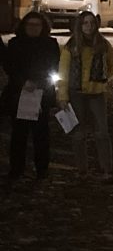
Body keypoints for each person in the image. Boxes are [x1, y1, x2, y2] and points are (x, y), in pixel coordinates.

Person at [57, 11, 113, 184]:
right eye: (85, 23)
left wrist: (103, 80)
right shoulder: (71, 46)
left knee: (102, 132)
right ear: (80, 25)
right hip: (76, 93)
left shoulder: (103, 44)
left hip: (96, 93)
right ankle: (82, 169)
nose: (89, 26)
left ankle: (106, 169)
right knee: (78, 134)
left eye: (91, 23)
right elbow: (63, 72)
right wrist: (62, 95)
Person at [3, 12, 60, 183]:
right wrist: (23, 82)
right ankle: (16, 169)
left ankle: (42, 169)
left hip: (41, 92)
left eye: (37, 25)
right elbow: (10, 66)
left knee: (41, 134)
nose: (33, 28)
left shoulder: (50, 44)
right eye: (30, 25)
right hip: (19, 92)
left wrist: (39, 82)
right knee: (18, 133)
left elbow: (53, 65)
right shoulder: (15, 43)